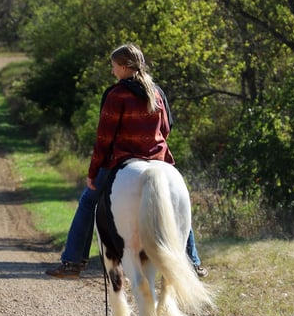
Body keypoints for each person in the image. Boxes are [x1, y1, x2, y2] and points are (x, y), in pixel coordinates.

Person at [46, 44, 207, 279]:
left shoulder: (116, 95)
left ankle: (72, 262)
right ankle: (192, 261)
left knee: (87, 202)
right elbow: (166, 128)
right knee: (174, 205)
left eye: (113, 67)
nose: (113, 72)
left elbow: (104, 139)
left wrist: (93, 172)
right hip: (159, 158)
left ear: (123, 67)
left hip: (123, 160)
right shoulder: (157, 92)